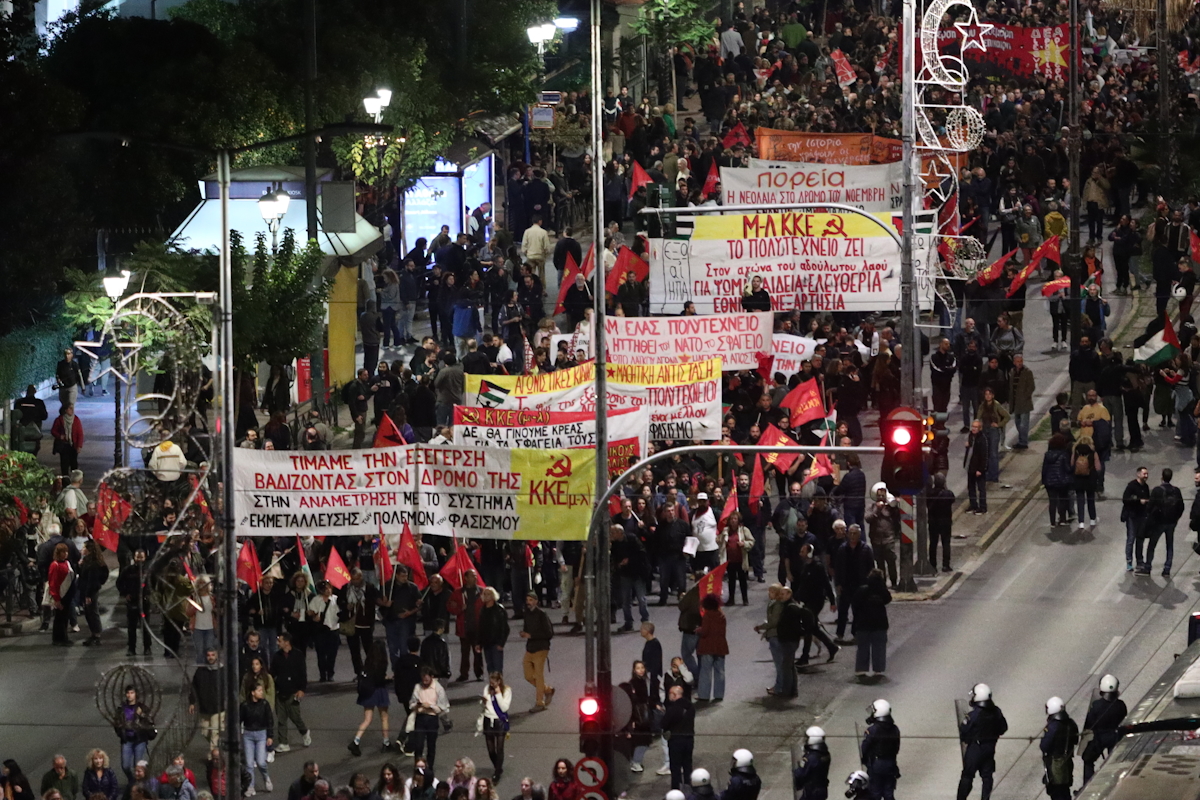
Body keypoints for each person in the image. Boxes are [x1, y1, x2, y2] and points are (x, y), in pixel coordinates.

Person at [956, 684, 1008, 800]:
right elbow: (1003, 728)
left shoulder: (974, 714)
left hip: (976, 748)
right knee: (987, 776)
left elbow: (964, 729)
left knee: (968, 775)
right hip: (990, 748)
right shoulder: (996, 712)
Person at [1138, 467, 1185, 576]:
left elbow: (1149, 507)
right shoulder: (1176, 490)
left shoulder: (1157, 490)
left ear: (1162, 477)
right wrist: (1176, 519)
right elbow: (1181, 506)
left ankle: (1148, 566)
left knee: (1152, 545)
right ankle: (1167, 568)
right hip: (1171, 523)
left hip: (1159, 522)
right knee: (1169, 545)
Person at [349, 641, 393, 756]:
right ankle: (386, 742)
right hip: (379, 691)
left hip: (367, 692)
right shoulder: (382, 663)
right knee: (384, 717)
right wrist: (388, 679)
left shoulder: (368, 663)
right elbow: (380, 680)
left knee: (367, 719)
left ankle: (356, 741)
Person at [1082, 675, 1127, 783]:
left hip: (1099, 738)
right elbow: (1124, 718)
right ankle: (1117, 782)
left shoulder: (1096, 705)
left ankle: (1087, 784)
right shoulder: (1120, 705)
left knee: (1088, 759)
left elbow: (1089, 724)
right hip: (1115, 736)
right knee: (1114, 761)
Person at [271, 632, 310, 753]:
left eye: (280, 641)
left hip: (293, 692)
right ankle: (283, 743)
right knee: (281, 720)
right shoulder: (277, 656)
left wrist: (302, 689)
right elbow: (272, 673)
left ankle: (304, 731)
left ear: (287, 642)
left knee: (295, 717)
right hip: (280, 692)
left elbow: (303, 674)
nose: (278, 643)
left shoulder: (298, 655)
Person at [407, 668, 449, 775]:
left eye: (427, 677)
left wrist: (430, 706)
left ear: (431, 677)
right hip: (420, 718)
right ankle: (417, 767)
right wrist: (417, 705)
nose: (424, 679)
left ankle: (429, 767)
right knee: (419, 745)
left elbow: (443, 707)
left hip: (432, 719)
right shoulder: (418, 687)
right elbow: (411, 703)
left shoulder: (438, 688)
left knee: (431, 745)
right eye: (423, 677)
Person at [851, 569, 890, 680]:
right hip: (880, 624)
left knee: (863, 647)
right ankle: (878, 669)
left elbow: (855, 604)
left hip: (864, 623)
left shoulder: (862, 590)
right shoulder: (882, 591)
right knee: (879, 647)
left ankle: (861, 669)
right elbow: (888, 599)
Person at [520, 592, 555, 713]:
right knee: (528, 675)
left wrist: (531, 635)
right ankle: (547, 690)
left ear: (536, 601)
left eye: (530, 600)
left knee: (539, 676)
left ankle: (540, 702)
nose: (528, 602)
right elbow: (526, 628)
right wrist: (524, 633)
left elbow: (549, 633)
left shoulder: (542, 614)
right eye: (527, 600)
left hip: (541, 648)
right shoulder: (527, 614)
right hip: (530, 648)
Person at [1040, 697, 1079, 800]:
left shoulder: (1053, 726)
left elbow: (1044, 746)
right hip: (1068, 760)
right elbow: (1076, 739)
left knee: (1056, 790)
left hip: (1055, 761)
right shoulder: (1071, 723)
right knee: (1065, 788)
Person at [861, 700, 900, 800]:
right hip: (891, 763)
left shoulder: (873, 730)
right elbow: (896, 748)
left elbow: (865, 747)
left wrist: (865, 759)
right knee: (888, 793)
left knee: (875, 793)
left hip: (877, 764)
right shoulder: (895, 729)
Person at [240, 682, 274, 797]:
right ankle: (250, 786)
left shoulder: (265, 704)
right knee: (249, 764)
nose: (261, 692)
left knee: (261, 762)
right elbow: (239, 720)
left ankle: (265, 777)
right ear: (252, 693)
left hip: (261, 734)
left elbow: (270, 720)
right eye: (259, 691)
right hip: (248, 735)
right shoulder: (244, 705)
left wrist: (270, 736)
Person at [660, 684, 694, 790]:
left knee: (675, 768)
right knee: (687, 766)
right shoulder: (690, 707)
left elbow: (663, 724)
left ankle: (676, 790)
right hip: (689, 740)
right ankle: (689, 788)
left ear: (674, 695)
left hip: (676, 741)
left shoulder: (673, 709)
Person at [695, 594, 727, 702]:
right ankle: (719, 694)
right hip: (720, 645)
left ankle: (704, 695)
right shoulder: (721, 615)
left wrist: (699, 630)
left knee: (706, 671)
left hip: (708, 646)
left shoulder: (708, 616)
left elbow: (705, 632)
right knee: (720, 671)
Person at [480, 673, 512, 782]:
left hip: (499, 721)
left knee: (499, 748)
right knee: (491, 750)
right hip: (488, 720)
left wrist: (498, 693)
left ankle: (497, 772)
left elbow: (504, 708)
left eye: (494, 682)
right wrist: (482, 702)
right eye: (490, 681)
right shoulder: (487, 688)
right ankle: (498, 767)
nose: (491, 684)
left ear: (499, 681)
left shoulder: (506, 691)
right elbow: (484, 705)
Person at [1122, 467, 1151, 572]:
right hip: (1132, 516)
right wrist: (1139, 501)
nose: (1146, 476)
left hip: (1142, 516)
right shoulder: (1131, 486)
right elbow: (1125, 499)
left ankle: (1140, 560)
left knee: (1140, 539)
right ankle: (1129, 561)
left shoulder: (1146, 487)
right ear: (1138, 474)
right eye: (1144, 474)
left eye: (1147, 474)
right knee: (1131, 539)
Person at [926, 474, 956, 572]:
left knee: (933, 543)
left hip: (933, 522)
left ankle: (932, 564)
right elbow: (952, 500)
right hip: (945, 522)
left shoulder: (930, 493)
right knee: (946, 543)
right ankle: (945, 565)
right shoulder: (948, 494)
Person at [47, 542, 74, 646]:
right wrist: (56, 599)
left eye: (66, 552)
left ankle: (64, 637)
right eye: (63, 552)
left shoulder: (66, 563)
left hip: (67, 595)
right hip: (60, 595)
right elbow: (53, 582)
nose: (66, 554)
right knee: (59, 618)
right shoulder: (55, 565)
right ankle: (59, 639)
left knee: (64, 617)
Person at [792, 727, 831, 800]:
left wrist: (796, 770)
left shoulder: (811, 758)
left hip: (812, 792)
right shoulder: (825, 754)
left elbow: (801, 773)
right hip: (822, 789)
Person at [50, 404, 83, 478]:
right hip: (64, 445)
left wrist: (79, 446)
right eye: (70, 408)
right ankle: (65, 480)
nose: (72, 410)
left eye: (72, 408)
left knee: (74, 464)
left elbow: (80, 434)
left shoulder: (76, 419)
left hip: (73, 445)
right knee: (64, 464)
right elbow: (53, 431)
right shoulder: (59, 419)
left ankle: (74, 480)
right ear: (65, 410)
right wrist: (60, 436)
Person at [964, 420, 988, 514]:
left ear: (980, 428)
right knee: (971, 487)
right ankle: (973, 505)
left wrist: (981, 469)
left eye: (976, 427)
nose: (973, 428)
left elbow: (984, 455)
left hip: (978, 469)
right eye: (973, 426)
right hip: (970, 466)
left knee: (981, 488)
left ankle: (983, 507)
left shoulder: (982, 439)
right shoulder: (971, 436)